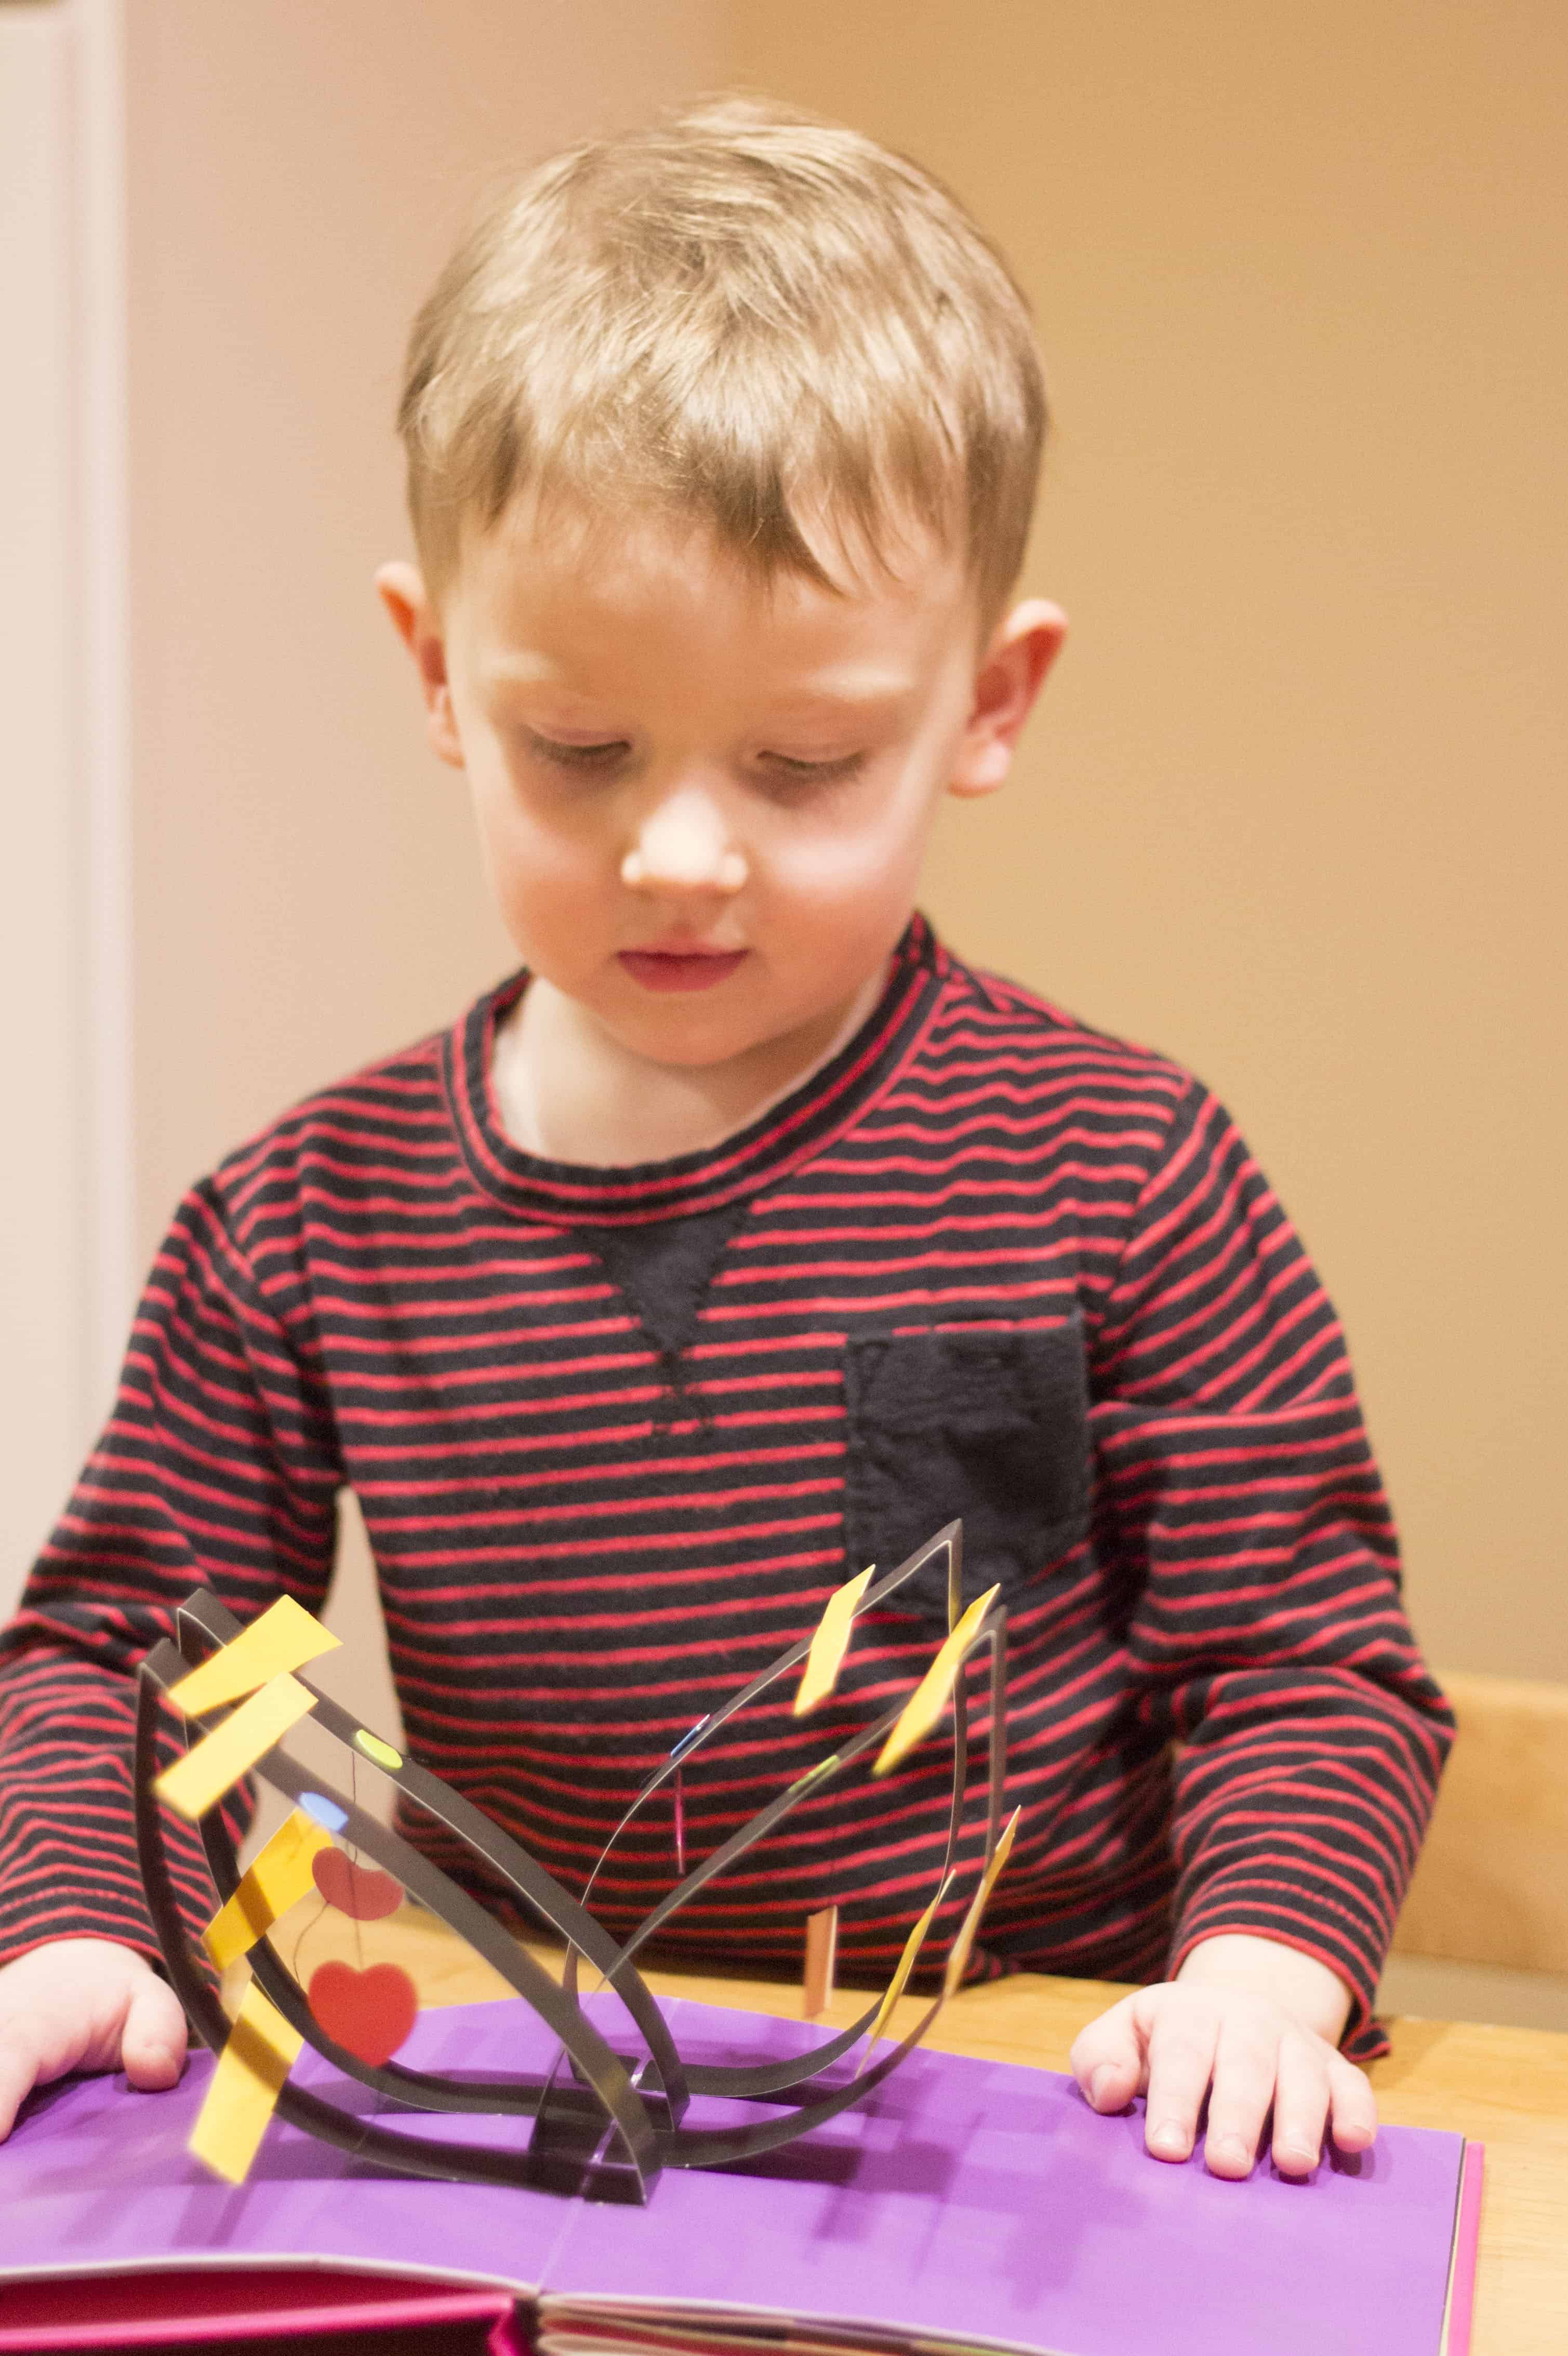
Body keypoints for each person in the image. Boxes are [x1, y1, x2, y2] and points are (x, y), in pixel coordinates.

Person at [0, 98, 1452, 2182]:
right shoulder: (297, 1224)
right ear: (435, 671)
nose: (681, 854)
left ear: (987, 705)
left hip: (1062, 2132)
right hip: (560, 2135)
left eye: (806, 760)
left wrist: (1257, 1977)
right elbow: (120, 1651)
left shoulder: (1122, 1167)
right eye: (578, 749)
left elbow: (1311, 1672)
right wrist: (64, 1929)